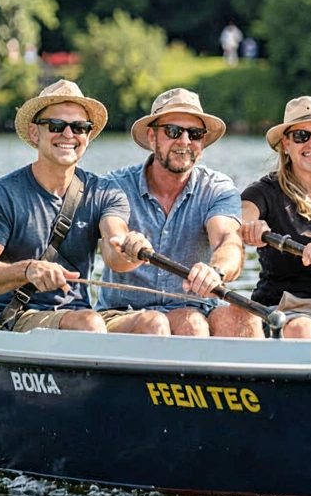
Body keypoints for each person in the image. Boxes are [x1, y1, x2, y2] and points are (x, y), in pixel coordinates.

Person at [0, 80, 163, 334]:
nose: (68, 135)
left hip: (82, 318)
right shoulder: (2, 193)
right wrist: (28, 270)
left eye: (79, 127)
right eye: (56, 125)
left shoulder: (105, 192)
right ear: (35, 133)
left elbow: (115, 248)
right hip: (15, 318)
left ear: (87, 136)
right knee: (89, 323)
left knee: (154, 323)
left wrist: (131, 248)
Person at [98, 88, 244, 336]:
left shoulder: (218, 188)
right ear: (152, 137)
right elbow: (113, 251)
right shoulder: (114, 185)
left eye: (195, 134)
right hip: (123, 314)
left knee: (241, 319)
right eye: (173, 131)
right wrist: (130, 250)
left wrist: (216, 271)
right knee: (180, 324)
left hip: (196, 311)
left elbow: (228, 241)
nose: (185, 141)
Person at [226, 96, 311, 339]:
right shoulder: (265, 191)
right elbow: (236, 221)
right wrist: (249, 227)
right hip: (288, 313)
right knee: (303, 331)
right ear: (286, 144)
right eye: (301, 136)